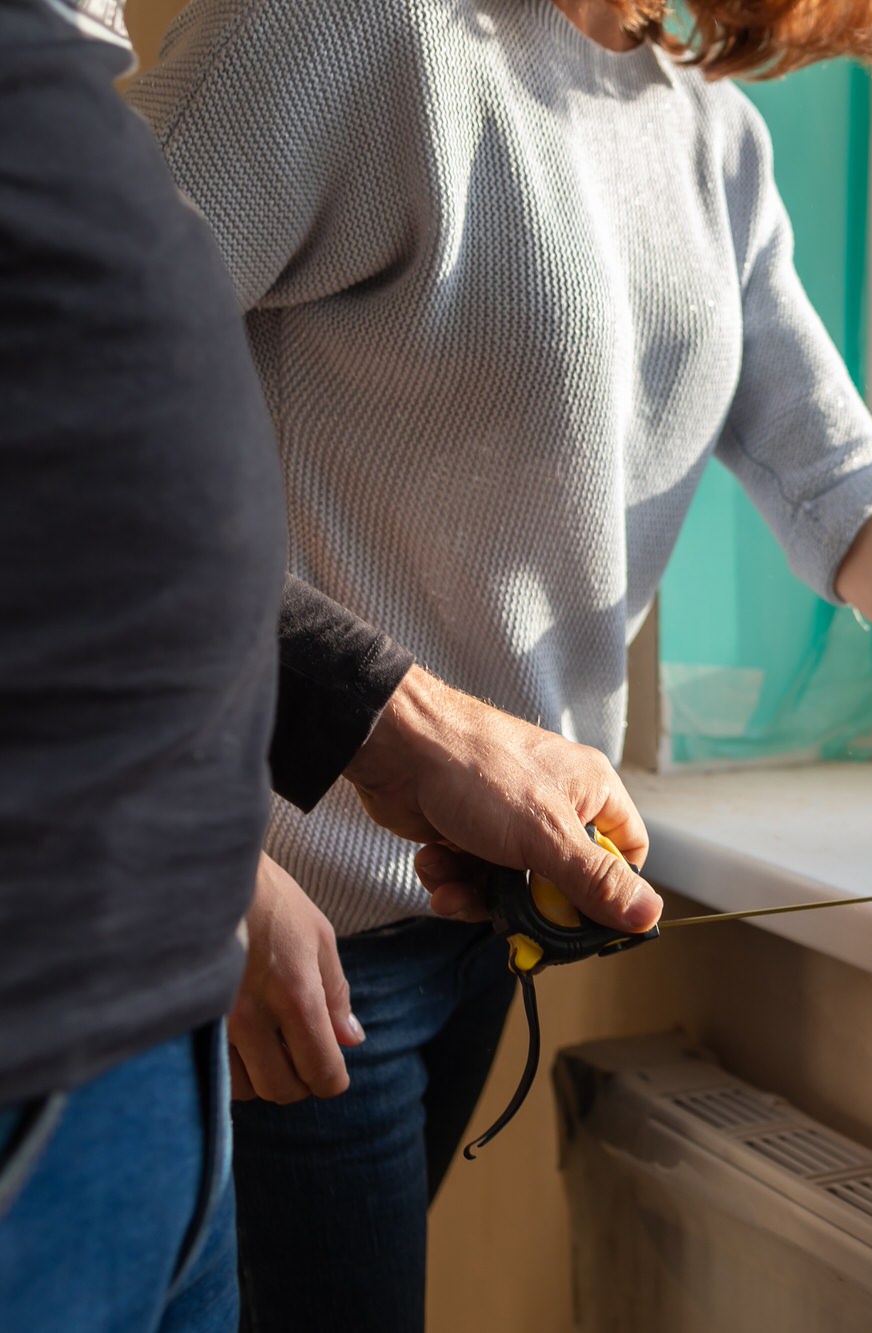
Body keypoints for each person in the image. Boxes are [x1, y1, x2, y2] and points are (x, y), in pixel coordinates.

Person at [128, 0, 872, 1327]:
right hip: (265, 921)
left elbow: (841, 485)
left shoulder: (707, 133)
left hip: (468, 927)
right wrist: (204, 864)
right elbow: (58, 414)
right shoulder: (341, 36)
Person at [0, 2, 663, 1328]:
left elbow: (106, 493)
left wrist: (390, 723)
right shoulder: (337, 34)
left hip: (150, 1028)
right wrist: (242, 851)